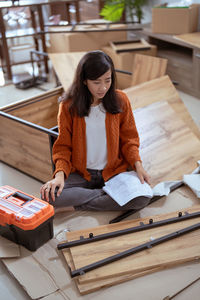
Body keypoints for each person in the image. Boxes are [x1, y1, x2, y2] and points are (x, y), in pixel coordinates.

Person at [40, 50, 150, 211]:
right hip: (81, 173)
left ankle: (86, 200)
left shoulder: (121, 100)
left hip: (113, 172)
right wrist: (59, 176)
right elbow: (63, 147)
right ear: (84, 80)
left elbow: (130, 140)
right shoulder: (68, 106)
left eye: (108, 80)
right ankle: (108, 195)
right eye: (96, 82)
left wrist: (138, 165)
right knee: (48, 195)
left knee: (142, 199)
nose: (103, 87)